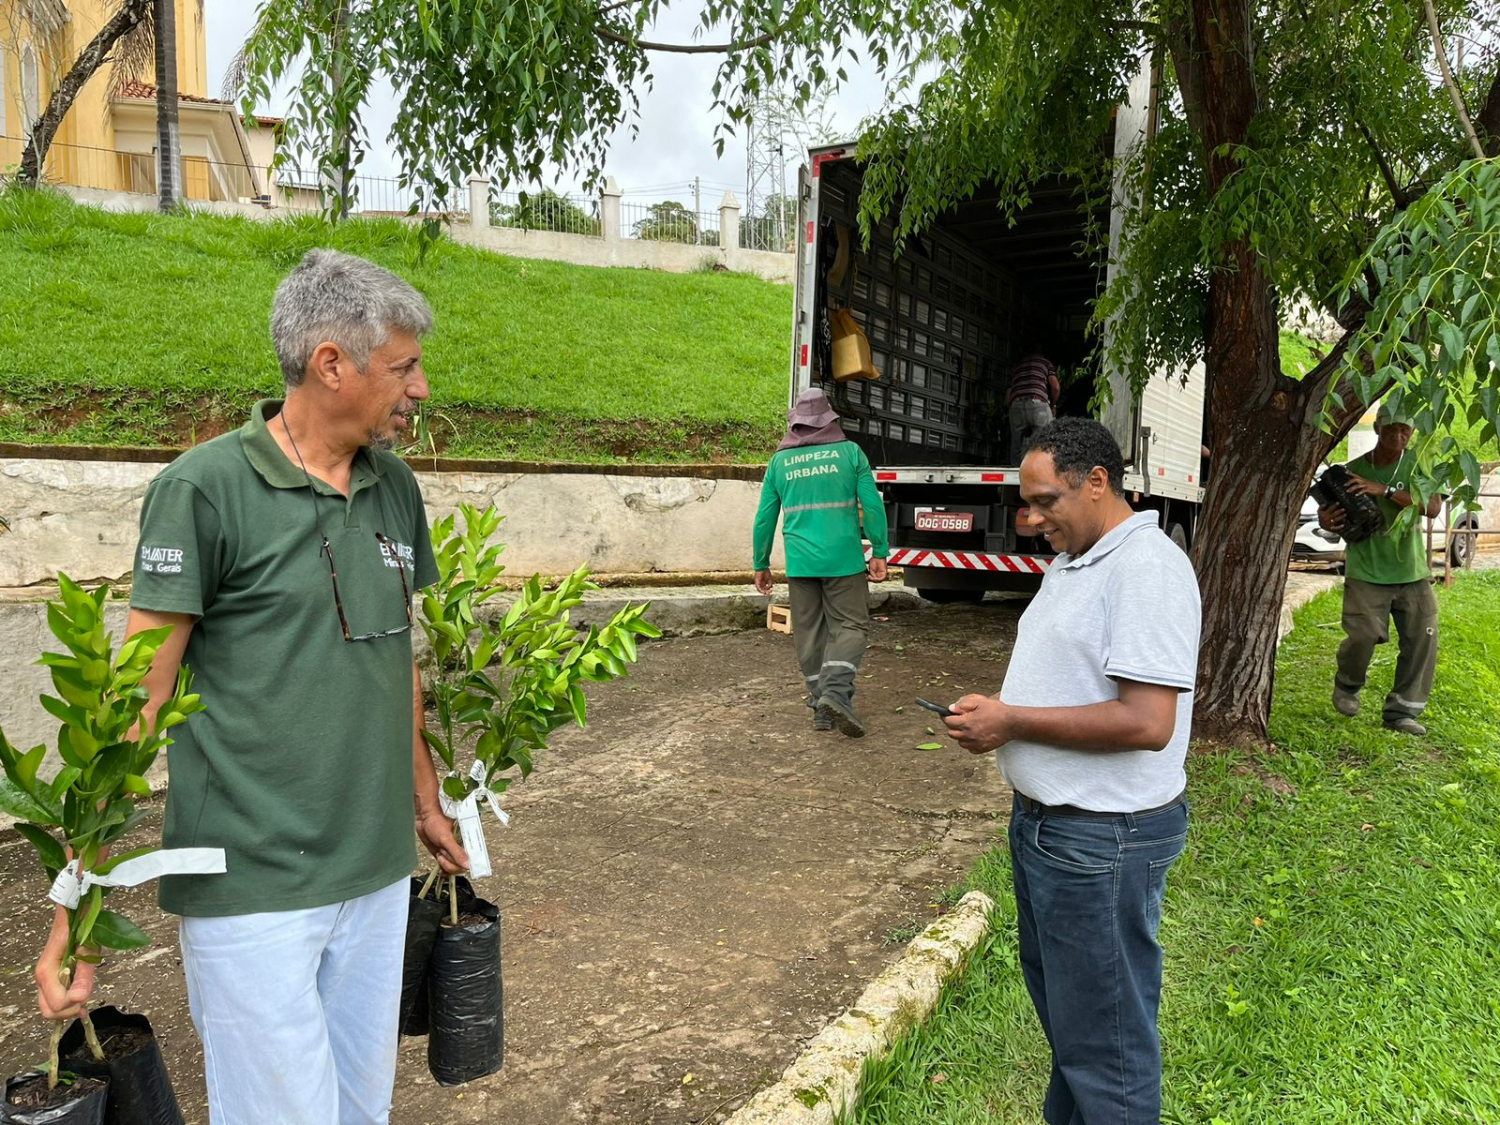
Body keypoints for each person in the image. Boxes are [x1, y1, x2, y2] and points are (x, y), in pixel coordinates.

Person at [35, 249, 469, 1125]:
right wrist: (77, 907)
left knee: (360, 1111)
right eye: (405, 366)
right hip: (252, 890)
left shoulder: (396, 490)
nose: (420, 388)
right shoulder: (204, 491)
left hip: (376, 873)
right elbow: (138, 701)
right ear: (331, 364)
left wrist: (423, 798)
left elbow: (397, 657)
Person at [942, 417, 1200, 1125]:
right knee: (1076, 1028)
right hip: (1052, 833)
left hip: (1101, 842)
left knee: (1107, 1047)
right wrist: (1000, 711)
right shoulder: (1080, 558)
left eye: (1045, 500)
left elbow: (1148, 722)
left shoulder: (1146, 568)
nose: (1030, 519)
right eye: (1026, 502)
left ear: (1097, 482)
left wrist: (1013, 721)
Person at [753, 388, 890, 738]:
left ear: (796, 422)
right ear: (830, 418)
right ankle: (834, 694)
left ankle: (822, 707)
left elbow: (765, 518)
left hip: (800, 565)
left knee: (810, 633)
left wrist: (761, 562)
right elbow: (872, 506)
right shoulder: (850, 453)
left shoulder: (779, 462)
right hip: (843, 560)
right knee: (851, 626)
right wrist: (879, 550)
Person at [1319, 396, 1441, 735]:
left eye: (1406, 430)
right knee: (1363, 636)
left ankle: (1402, 711)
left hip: (1411, 569)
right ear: (1377, 428)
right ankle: (1347, 683)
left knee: (1423, 638)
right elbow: (1327, 514)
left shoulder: (1419, 464)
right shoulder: (1352, 469)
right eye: (1392, 429)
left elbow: (1431, 507)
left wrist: (1383, 490)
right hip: (1367, 569)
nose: (1400, 436)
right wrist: (1327, 520)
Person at [1005, 345, 1061, 461]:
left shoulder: (1018, 366)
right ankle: (1041, 471)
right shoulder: (1045, 363)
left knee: (1016, 445)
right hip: (1038, 404)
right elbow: (1055, 387)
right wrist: (1052, 406)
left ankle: (1015, 472)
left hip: (1016, 404)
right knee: (1044, 443)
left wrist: (1010, 408)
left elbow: (1008, 395)